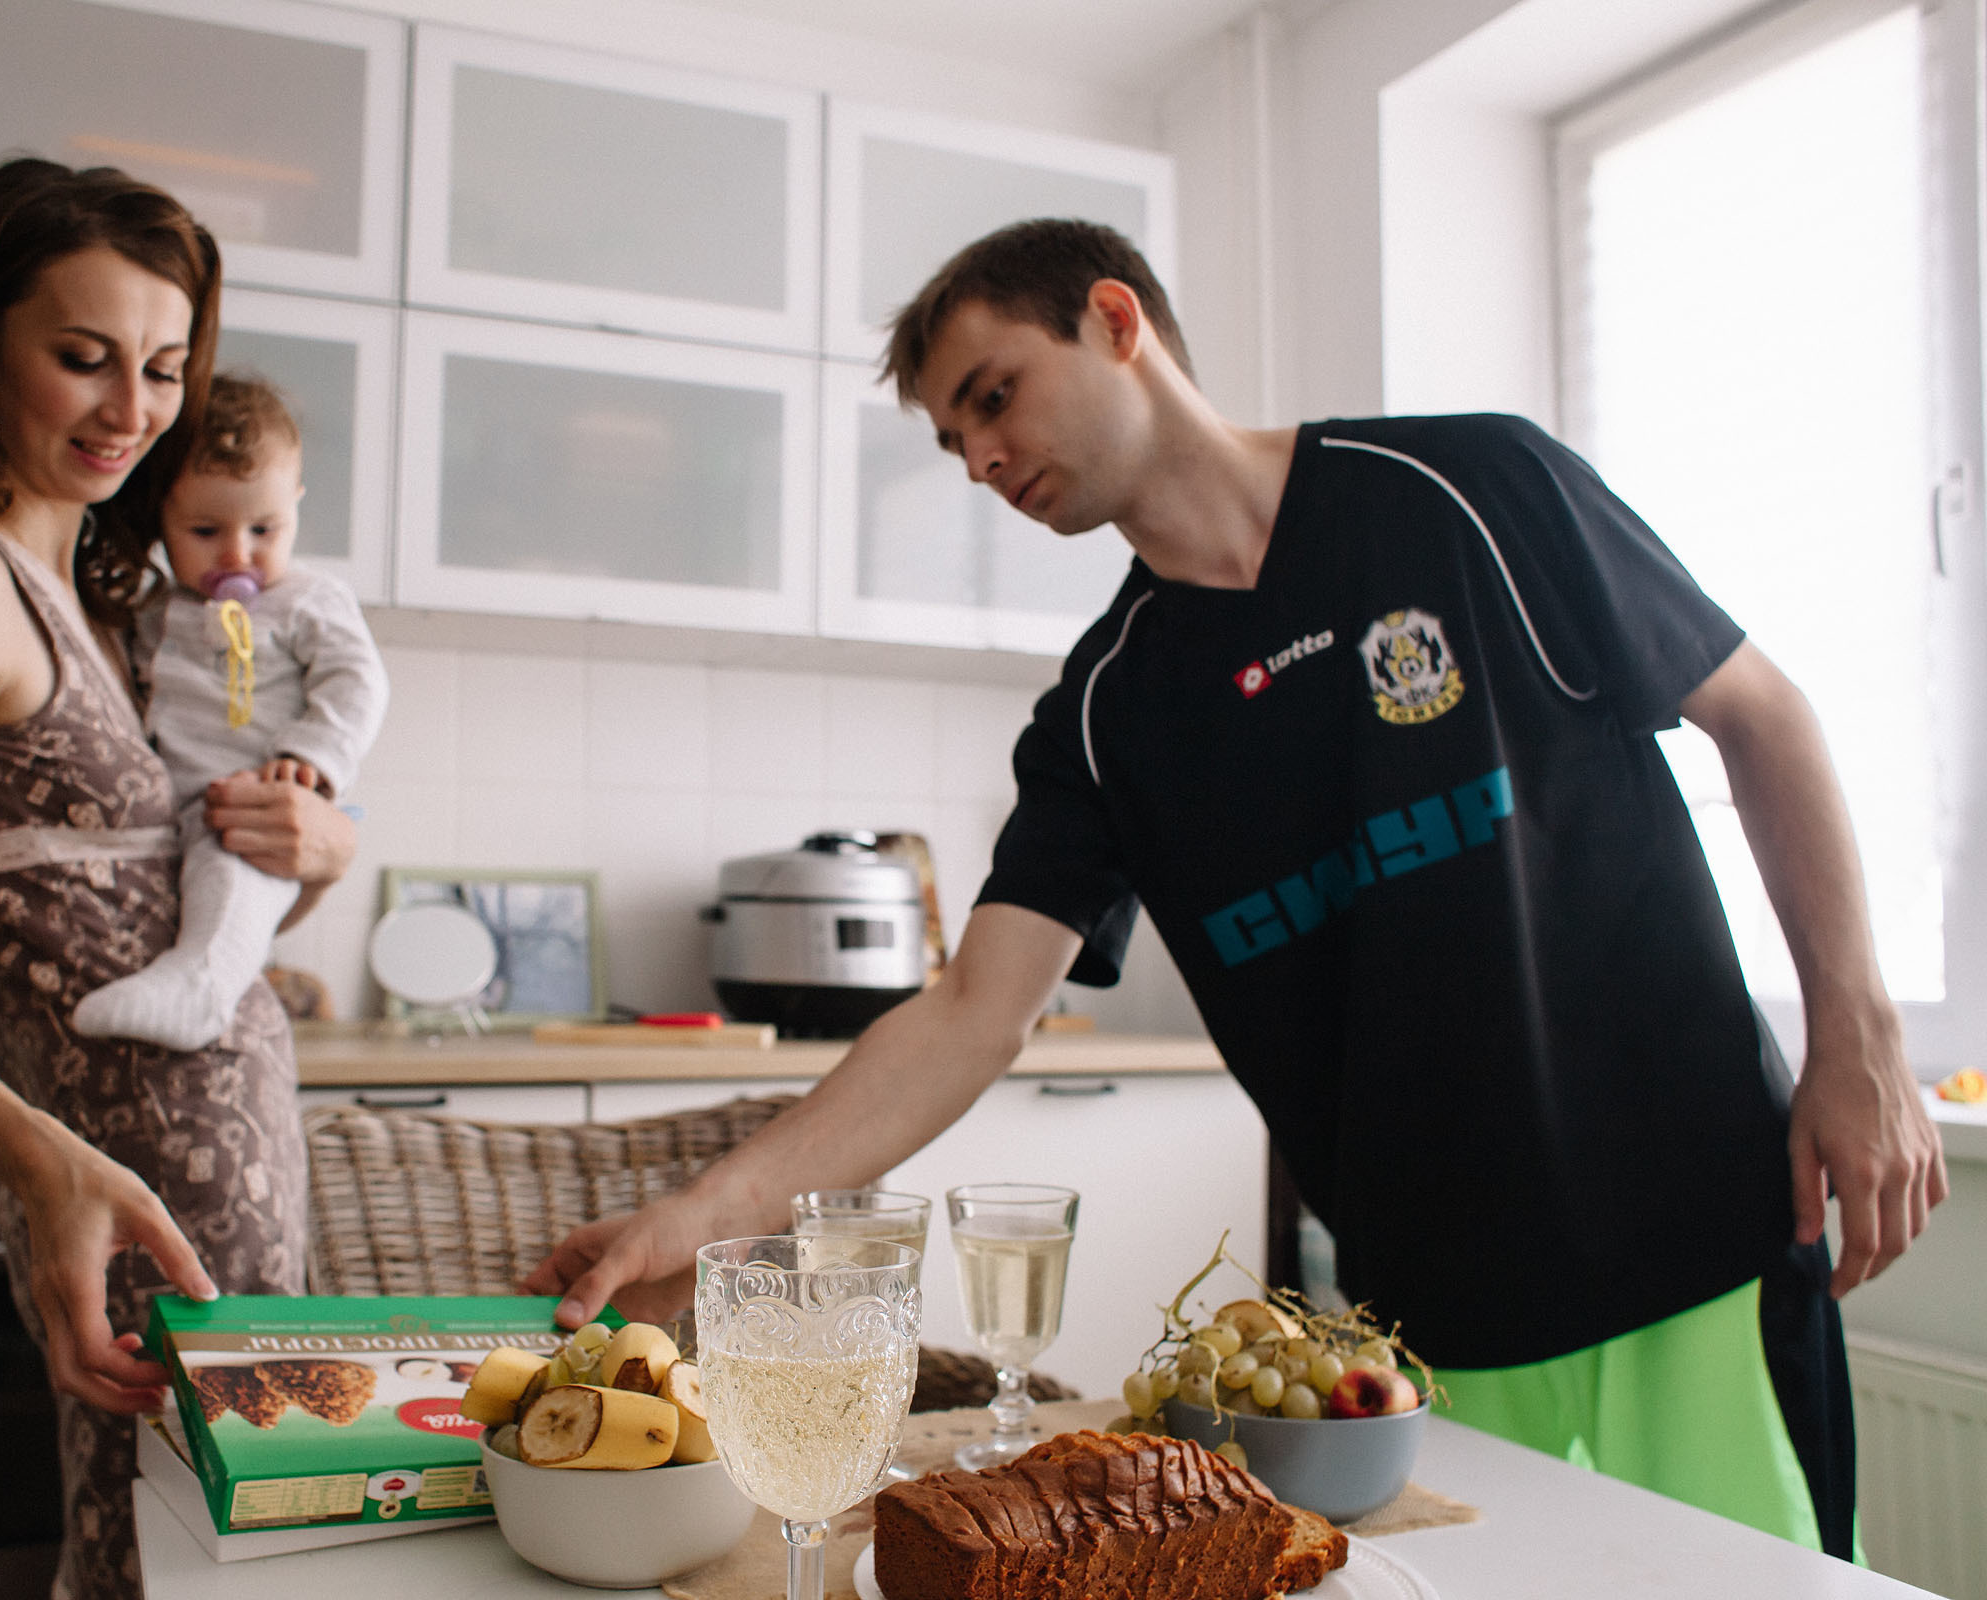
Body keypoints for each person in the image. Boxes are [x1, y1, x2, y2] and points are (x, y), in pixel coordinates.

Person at [524, 219, 1948, 1559]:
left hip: (1696, 1232)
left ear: (1116, 320)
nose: (981, 459)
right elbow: (971, 1014)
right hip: (1424, 1332)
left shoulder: (1470, 489)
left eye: (995, 397)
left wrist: (1861, 1038)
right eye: (956, 440)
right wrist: (715, 1210)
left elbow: (1763, 714)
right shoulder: (1105, 714)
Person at [0, 158, 356, 1600]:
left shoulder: (115, 602)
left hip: (226, 1163)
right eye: (84, 357)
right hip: (122, 1187)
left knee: (228, 1570)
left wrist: (311, 856)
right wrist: (47, 1164)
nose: (134, 410)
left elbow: (137, 901)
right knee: (153, 1566)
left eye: (166, 369)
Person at [71, 373, 386, 1051]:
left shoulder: (308, 600)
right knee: (199, 878)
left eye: (264, 529)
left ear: (295, 505)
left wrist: (310, 756)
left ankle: (202, 989)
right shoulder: (156, 611)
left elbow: (358, 682)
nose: (238, 554)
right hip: (172, 810)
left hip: (252, 803)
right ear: (162, 520)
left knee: (230, 872)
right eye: (206, 530)